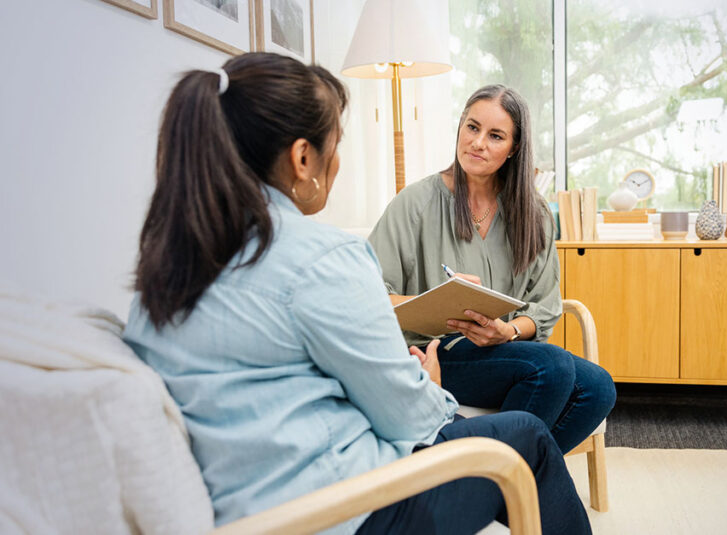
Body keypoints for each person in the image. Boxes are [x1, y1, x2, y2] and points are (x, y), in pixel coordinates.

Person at [122, 53, 590, 535]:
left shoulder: (165, 264)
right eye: (336, 144)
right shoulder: (325, 257)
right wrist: (430, 387)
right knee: (526, 439)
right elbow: (412, 420)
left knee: (583, 385)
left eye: (496, 135)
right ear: (304, 158)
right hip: (341, 507)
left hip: (241, 506)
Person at [368, 85, 616, 454]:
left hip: (507, 351)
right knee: (552, 368)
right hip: (433, 353)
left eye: (495, 135)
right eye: (472, 127)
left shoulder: (534, 215)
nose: (478, 142)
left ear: (514, 148)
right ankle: (506, 483)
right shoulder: (416, 202)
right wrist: (433, 301)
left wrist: (509, 331)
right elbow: (368, 294)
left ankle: (495, 481)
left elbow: (545, 306)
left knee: (599, 387)